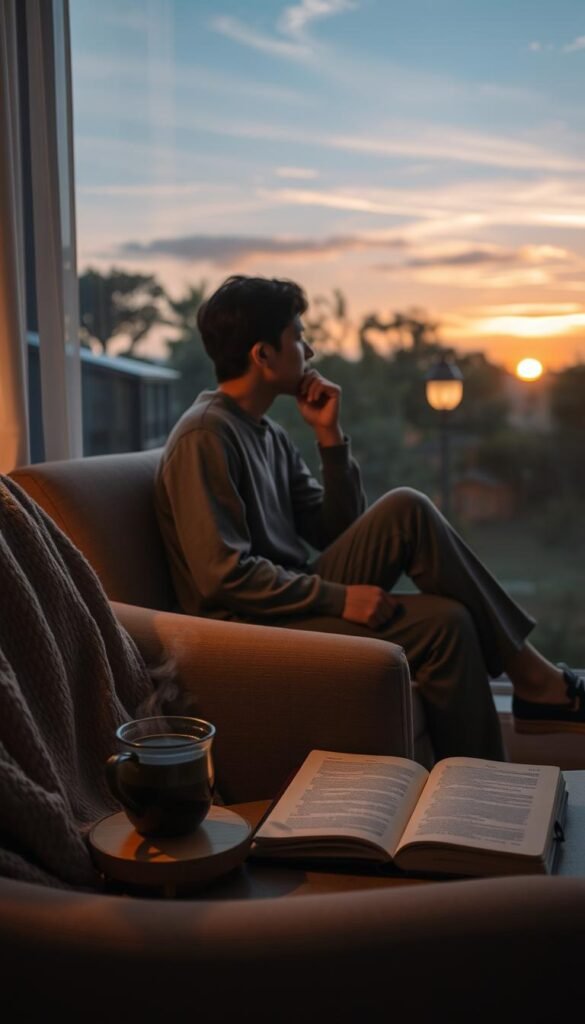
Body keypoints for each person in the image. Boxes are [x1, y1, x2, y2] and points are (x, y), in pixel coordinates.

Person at [154, 274, 585, 761]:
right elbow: (223, 576)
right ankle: (529, 692)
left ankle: (490, 773)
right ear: (263, 355)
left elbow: (335, 528)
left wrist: (330, 438)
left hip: (286, 601)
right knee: (444, 621)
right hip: (246, 630)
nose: (309, 349)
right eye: (298, 335)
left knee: (411, 520)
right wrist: (339, 599)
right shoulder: (205, 436)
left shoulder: (266, 432)